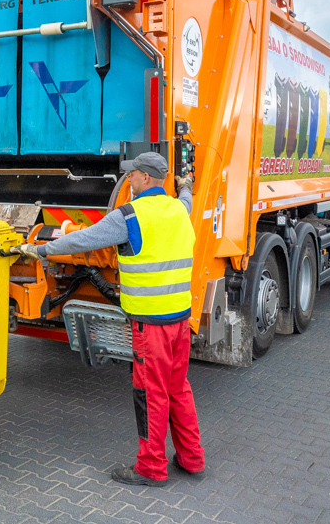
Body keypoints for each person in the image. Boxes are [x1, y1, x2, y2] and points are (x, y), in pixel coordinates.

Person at [17, 152, 205, 486]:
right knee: (178, 389)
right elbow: (188, 198)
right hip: (179, 321)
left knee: (150, 393)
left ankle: (151, 468)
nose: (127, 181)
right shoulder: (178, 209)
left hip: (151, 326)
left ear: (146, 178)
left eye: (131, 175)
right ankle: (192, 459)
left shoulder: (129, 216)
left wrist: (41, 249)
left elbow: (83, 239)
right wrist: (186, 184)